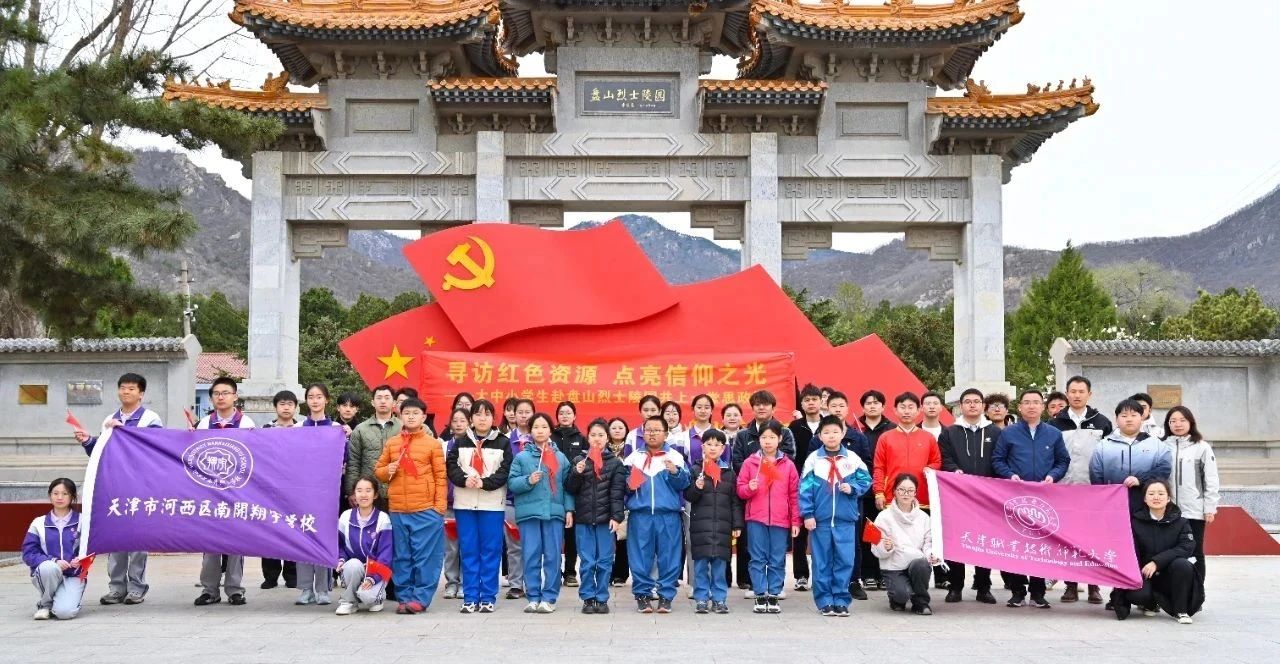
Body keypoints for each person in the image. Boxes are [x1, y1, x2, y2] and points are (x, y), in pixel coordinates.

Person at [73, 372, 162, 606]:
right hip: (115, 487)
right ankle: (116, 588)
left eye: (131, 388)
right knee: (116, 538)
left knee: (138, 539)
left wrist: (123, 431)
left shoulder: (150, 418)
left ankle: (137, 588)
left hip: (140, 488)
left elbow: (152, 448)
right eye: (122, 388)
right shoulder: (109, 418)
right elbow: (102, 454)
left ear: (141, 393)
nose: (126, 392)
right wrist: (88, 441)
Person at [991, 388, 1069, 609]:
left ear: (1042, 407)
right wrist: (1010, 475)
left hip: (1044, 499)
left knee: (1040, 544)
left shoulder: (1054, 434)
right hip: (1015, 497)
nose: (1032, 406)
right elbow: (997, 460)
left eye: (1036, 402)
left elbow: (1063, 461)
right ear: (1020, 407)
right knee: (1016, 545)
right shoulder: (1009, 433)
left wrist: (1053, 476)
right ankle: (1017, 592)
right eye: (1027, 402)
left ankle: (1038, 592)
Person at [374, 398, 447, 614]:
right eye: (407, 413)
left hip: (425, 509)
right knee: (402, 556)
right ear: (400, 416)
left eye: (416, 413)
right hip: (398, 509)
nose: (411, 417)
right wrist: (388, 470)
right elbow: (378, 471)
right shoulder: (392, 443)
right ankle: (404, 597)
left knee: (425, 557)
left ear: (423, 417)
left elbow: (440, 477)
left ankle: (421, 598)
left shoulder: (432, 444)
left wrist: (438, 509)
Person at [1050, 375, 1115, 604]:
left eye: (1081, 391)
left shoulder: (1102, 422)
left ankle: (1093, 586)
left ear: (1090, 394)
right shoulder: (1055, 424)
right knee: (1068, 539)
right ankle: (1070, 585)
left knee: (1092, 540)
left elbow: (1109, 456)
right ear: (1067, 394)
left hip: (1093, 490)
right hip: (1064, 489)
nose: (1077, 395)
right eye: (1073, 391)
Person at [801, 415, 872, 617]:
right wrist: (808, 514)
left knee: (845, 560)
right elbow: (804, 489)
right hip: (820, 521)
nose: (831, 436)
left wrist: (853, 487)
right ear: (820, 436)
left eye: (835, 432)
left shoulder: (852, 458)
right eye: (826, 432)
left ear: (843, 433)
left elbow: (866, 480)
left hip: (845, 520)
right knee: (821, 562)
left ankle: (841, 599)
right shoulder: (814, 459)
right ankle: (824, 600)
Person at [446, 400, 513, 614]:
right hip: (465, 503)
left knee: (490, 550)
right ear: (471, 418)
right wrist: (464, 480)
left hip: (492, 504)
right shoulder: (460, 441)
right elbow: (451, 467)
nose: (482, 418)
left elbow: (505, 471)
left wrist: (485, 483)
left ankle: (488, 596)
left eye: (487, 414)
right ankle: (470, 596)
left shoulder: (503, 442)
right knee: (468, 549)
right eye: (478, 414)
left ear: (493, 418)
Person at [195, 376, 256, 607]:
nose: (221, 397)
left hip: (237, 491)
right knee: (209, 543)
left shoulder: (246, 423)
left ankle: (235, 589)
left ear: (235, 396)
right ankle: (209, 589)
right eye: (216, 393)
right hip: (209, 493)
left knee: (236, 543)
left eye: (225, 393)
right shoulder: (204, 424)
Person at [937, 388, 1000, 604]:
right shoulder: (949, 432)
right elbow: (944, 458)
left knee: (984, 542)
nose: (972, 405)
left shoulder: (995, 432)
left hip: (987, 498)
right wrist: (954, 470)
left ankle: (983, 587)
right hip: (958, 496)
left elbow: (999, 460)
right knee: (958, 540)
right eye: (967, 401)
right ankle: (955, 587)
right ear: (960, 406)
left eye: (976, 401)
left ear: (983, 406)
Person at [732, 390, 796, 598]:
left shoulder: (786, 449)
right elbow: (738, 470)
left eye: (766, 404)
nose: (768, 441)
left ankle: (775, 589)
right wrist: (752, 482)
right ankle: (757, 588)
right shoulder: (746, 447)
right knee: (755, 552)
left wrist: (795, 520)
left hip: (779, 511)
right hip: (755, 509)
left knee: (777, 555)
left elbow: (793, 488)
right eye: (757, 404)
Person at [507, 412, 574, 614]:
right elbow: (512, 483)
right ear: (530, 431)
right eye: (536, 427)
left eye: (544, 427)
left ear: (550, 431)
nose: (540, 431)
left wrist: (569, 510)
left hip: (554, 514)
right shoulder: (522, 457)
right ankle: (533, 596)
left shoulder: (560, 458)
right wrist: (528, 480)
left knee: (553, 556)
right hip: (529, 514)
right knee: (530, 555)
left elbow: (567, 487)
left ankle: (549, 597)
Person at [624, 415, 691, 613]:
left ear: (666, 434)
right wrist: (629, 485)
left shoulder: (675, 457)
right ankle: (642, 595)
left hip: (668, 515)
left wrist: (675, 472)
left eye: (656, 430)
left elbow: (684, 485)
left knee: (669, 557)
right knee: (639, 557)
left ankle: (666, 596)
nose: (652, 434)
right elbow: (622, 488)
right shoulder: (634, 458)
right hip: (640, 515)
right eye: (648, 430)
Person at [1112, 480, 1203, 624]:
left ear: (1168, 498)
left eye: (1161, 494)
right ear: (1144, 499)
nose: (1156, 497)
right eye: (1151, 494)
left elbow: (1187, 546)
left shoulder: (1181, 522)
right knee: (1138, 595)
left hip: (1170, 574)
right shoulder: (1135, 522)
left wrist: (1157, 562)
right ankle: (1150, 603)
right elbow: (1129, 551)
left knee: (1183, 565)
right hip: (1145, 573)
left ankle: (1181, 610)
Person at [737, 421, 800, 614]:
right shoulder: (750, 463)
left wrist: (795, 521)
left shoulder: (788, 465)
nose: (768, 441)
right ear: (759, 440)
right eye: (764, 437)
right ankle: (759, 594)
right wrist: (749, 488)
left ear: (780, 439)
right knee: (757, 558)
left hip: (781, 520)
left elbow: (794, 495)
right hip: (756, 518)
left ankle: (773, 594)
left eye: (772, 437)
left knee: (777, 559)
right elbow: (740, 490)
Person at [565, 419, 626, 614]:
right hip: (583, 520)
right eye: (593, 435)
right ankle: (588, 598)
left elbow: (617, 493)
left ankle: (602, 598)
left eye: (601, 435)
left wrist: (616, 517)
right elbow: (570, 489)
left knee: (605, 561)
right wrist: (576, 473)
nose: (597, 439)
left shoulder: (615, 463)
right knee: (587, 561)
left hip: (605, 521)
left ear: (607, 438)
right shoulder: (579, 460)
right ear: (588, 438)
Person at [685, 429, 742, 614]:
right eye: (709, 444)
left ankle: (719, 599)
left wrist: (737, 524)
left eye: (717, 445)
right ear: (702, 447)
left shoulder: (729, 473)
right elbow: (689, 496)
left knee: (720, 564)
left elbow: (735, 501)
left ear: (723, 448)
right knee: (701, 564)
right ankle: (701, 598)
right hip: (701, 526)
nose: (713, 448)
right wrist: (697, 487)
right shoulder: (695, 470)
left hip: (723, 526)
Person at [1163, 406, 1219, 581]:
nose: (1177, 424)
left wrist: (1209, 508)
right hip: (1168, 510)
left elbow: (1211, 479)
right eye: (1173, 421)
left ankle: (1197, 591)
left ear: (1191, 422)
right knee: (1168, 550)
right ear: (1168, 424)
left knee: (1195, 551)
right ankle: (1172, 591)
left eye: (1182, 420)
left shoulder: (1202, 447)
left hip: (1194, 509)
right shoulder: (1162, 446)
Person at [871, 474, 938, 615]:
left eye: (910, 490)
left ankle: (921, 602)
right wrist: (886, 547)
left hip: (916, 563)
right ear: (894, 491)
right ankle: (897, 598)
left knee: (922, 564)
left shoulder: (924, 517)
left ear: (915, 493)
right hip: (894, 565)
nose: (906, 494)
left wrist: (931, 554)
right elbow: (876, 546)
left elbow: (928, 543)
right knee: (902, 595)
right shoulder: (884, 517)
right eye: (901, 489)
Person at [1090, 399, 1172, 513]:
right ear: (1116, 419)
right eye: (1124, 416)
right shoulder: (1103, 445)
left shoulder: (1156, 444)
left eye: (1134, 415)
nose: (1129, 419)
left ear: (1141, 418)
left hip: (1147, 504)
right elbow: (1096, 475)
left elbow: (1164, 469)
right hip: (1113, 503)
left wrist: (1140, 480)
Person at [22, 478, 87, 620]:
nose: (59, 497)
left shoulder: (83, 521)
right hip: (48, 573)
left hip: (73, 575)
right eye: (55, 493)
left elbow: (91, 549)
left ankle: (62, 600)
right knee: (49, 567)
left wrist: (82, 560)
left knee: (65, 613)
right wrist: (54, 561)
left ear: (73, 497)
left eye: (65, 493)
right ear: (50, 495)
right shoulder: (38, 523)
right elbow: (29, 553)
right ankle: (45, 605)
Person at [261, 390, 304, 596]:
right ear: (275, 407)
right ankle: (270, 576)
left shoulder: (303, 430)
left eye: (290, 404)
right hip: (270, 488)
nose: (286, 407)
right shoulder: (265, 429)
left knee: (292, 530)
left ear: (296, 407)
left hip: (294, 488)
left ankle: (292, 575)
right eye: (282, 404)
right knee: (269, 531)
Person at [872, 393, 942, 514]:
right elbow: (879, 467)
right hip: (892, 497)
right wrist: (879, 493)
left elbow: (937, 461)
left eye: (911, 407)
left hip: (922, 498)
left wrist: (930, 468)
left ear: (918, 410)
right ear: (895, 410)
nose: (906, 411)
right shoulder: (885, 438)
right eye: (902, 407)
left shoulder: (928, 437)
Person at [335, 476, 393, 615]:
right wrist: (340, 559)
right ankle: (349, 602)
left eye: (368, 490)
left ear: (375, 495)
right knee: (352, 564)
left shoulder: (383, 519)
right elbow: (339, 546)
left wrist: (373, 578)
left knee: (367, 597)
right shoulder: (345, 516)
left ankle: (377, 598)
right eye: (359, 490)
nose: (363, 494)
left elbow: (386, 554)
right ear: (354, 494)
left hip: (376, 570)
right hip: (354, 569)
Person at [788, 383, 825, 593]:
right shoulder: (794, 427)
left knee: (822, 531)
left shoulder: (828, 425)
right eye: (807, 400)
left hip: (824, 485)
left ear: (821, 402)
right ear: (801, 404)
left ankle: (822, 574)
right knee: (799, 531)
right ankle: (801, 575)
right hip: (800, 485)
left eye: (814, 399)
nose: (811, 403)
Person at [856, 390, 894, 592]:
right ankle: (869, 573)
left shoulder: (892, 429)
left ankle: (886, 574)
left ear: (883, 406)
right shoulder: (855, 428)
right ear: (863, 407)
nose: (872, 406)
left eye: (876, 402)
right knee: (868, 531)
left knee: (887, 532)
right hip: (864, 491)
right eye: (868, 403)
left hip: (887, 490)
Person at [345, 385, 400, 509]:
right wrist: (352, 491)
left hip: (398, 491)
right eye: (379, 398)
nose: (383, 401)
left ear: (394, 403)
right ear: (372, 402)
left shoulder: (403, 428)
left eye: (387, 398)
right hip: (369, 492)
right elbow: (353, 463)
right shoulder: (360, 429)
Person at [502, 398, 535, 599]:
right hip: (510, 500)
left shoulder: (540, 437)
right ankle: (515, 584)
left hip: (533, 500)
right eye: (519, 412)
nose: (523, 415)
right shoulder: (505, 439)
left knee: (532, 544)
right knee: (514, 545)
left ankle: (532, 584)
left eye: (527, 412)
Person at [552, 401, 586, 589]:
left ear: (575, 416)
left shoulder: (581, 439)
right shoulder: (550, 437)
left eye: (568, 413)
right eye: (561, 413)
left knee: (571, 534)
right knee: (555, 535)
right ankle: (555, 572)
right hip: (554, 490)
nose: (564, 416)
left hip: (574, 490)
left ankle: (571, 572)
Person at [440, 408, 470, 601]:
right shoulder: (443, 446)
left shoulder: (474, 446)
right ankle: (451, 583)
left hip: (468, 503)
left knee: (467, 545)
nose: (458, 424)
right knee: (451, 548)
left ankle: (466, 583)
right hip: (449, 504)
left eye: (462, 420)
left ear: (470, 423)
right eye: (455, 420)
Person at [605, 417, 632, 587]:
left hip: (625, 498)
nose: (617, 430)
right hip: (605, 498)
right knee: (607, 538)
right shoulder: (603, 449)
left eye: (620, 427)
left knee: (623, 537)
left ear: (626, 431)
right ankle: (607, 572)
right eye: (613, 427)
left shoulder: (630, 450)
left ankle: (621, 574)